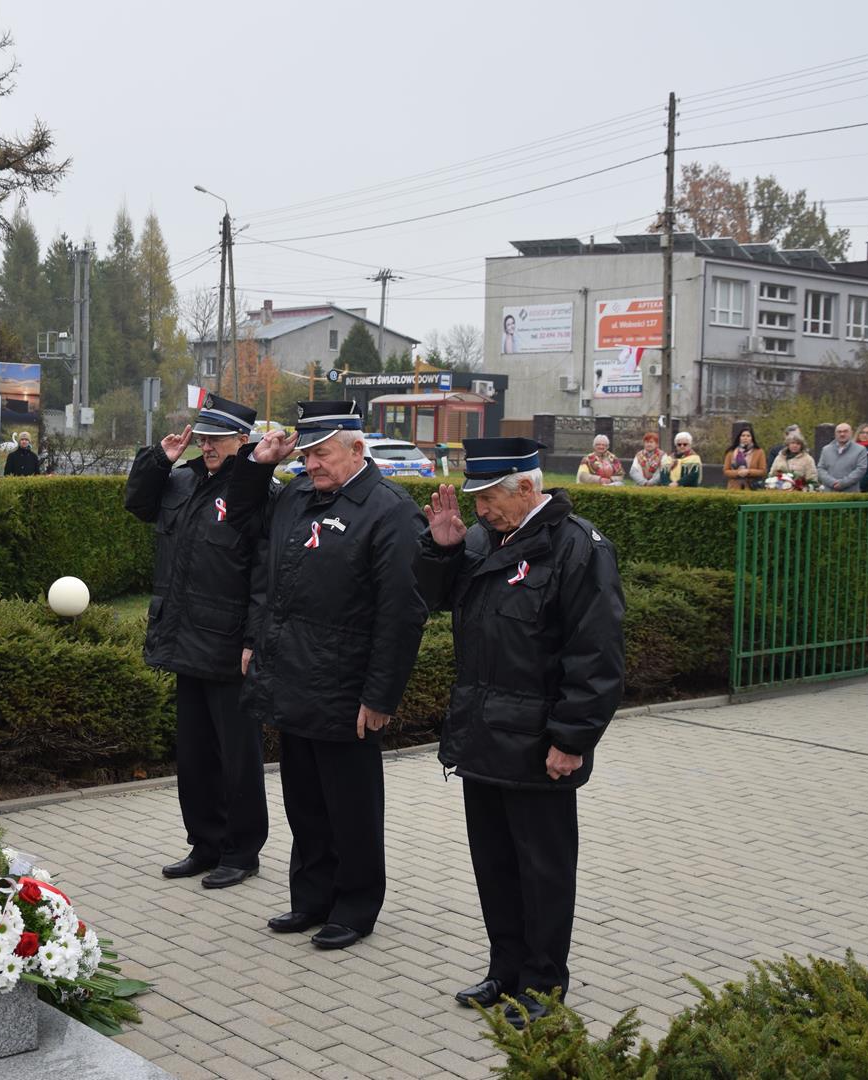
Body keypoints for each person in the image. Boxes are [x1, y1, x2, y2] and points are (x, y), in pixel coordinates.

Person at [414, 440, 623, 1029]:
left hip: (539, 743)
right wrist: (442, 549)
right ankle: (503, 971)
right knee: (495, 865)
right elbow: (432, 599)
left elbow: (596, 654)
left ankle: (543, 983)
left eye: (488, 498)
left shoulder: (577, 547)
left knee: (544, 871)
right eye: (476, 499)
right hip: (483, 736)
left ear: (527, 489)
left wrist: (573, 739)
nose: (480, 509)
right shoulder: (482, 540)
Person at [226, 401, 428, 950]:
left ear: (358, 450)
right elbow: (245, 529)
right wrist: (257, 465)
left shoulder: (390, 511)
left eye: (323, 453)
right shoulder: (295, 495)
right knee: (306, 802)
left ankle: (356, 906)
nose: (312, 464)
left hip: (346, 685)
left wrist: (381, 693)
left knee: (351, 805)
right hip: (293, 675)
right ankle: (310, 898)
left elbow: (402, 613)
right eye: (308, 453)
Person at [123, 395, 270, 888]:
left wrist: (254, 638)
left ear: (242, 441)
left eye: (218, 438)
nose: (207, 445)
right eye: (203, 436)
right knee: (195, 754)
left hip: (229, 645)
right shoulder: (183, 480)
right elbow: (139, 504)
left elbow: (264, 577)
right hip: (185, 638)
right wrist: (157, 460)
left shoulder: (255, 491)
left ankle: (241, 851)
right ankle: (204, 843)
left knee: (238, 756)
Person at [817, 423, 868, 492]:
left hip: (851, 493)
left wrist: (842, 483)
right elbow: (820, 469)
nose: (842, 434)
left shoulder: (860, 450)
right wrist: (832, 482)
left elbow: (860, 469)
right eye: (839, 432)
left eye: (845, 431)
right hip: (829, 493)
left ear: (851, 433)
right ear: (835, 434)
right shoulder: (826, 449)